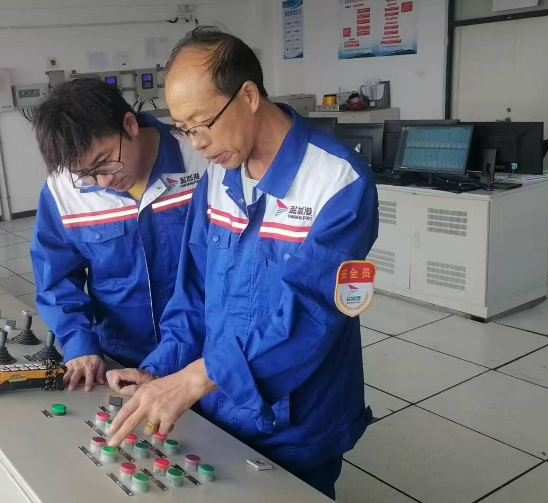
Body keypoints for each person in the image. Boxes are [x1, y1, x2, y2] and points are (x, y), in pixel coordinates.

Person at [106, 27, 379, 499]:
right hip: (217, 401)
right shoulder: (218, 178)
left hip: (295, 417)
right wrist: (160, 369)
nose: (196, 143)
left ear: (249, 96)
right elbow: (194, 293)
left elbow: (311, 317)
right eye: (184, 129)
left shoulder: (337, 182)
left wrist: (195, 378)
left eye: (202, 124)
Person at [30, 79, 207, 391]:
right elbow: (56, 278)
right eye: (85, 174)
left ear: (129, 124)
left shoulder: (201, 161)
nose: (103, 180)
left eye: (105, 162)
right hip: (120, 360)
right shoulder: (62, 191)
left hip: (202, 357)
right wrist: (79, 342)